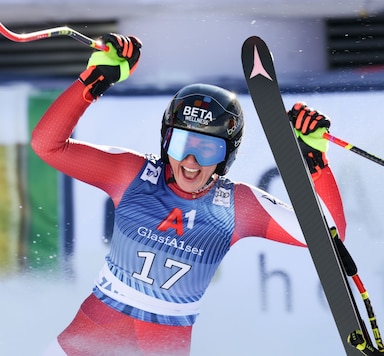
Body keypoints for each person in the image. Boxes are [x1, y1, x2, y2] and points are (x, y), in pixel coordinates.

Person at [31, 34, 346, 355]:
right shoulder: (132, 174)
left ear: (226, 156)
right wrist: (95, 79)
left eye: (208, 149)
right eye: (182, 145)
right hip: (83, 345)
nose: (191, 162)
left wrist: (315, 161)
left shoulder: (237, 204)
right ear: (166, 142)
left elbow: (329, 236)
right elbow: (47, 145)